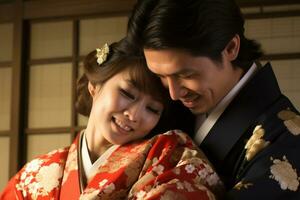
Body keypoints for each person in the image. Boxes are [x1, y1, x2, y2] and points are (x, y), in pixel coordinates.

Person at [0, 40, 224, 200]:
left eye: (152, 109)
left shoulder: (168, 154)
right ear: (94, 86)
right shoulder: (37, 173)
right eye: (127, 94)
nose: (134, 116)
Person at [125, 0, 300, 199]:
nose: (173, 93)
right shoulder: (163, 104)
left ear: (230, 48)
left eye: (186, 74)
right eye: (161, 76)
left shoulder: (287, 140)